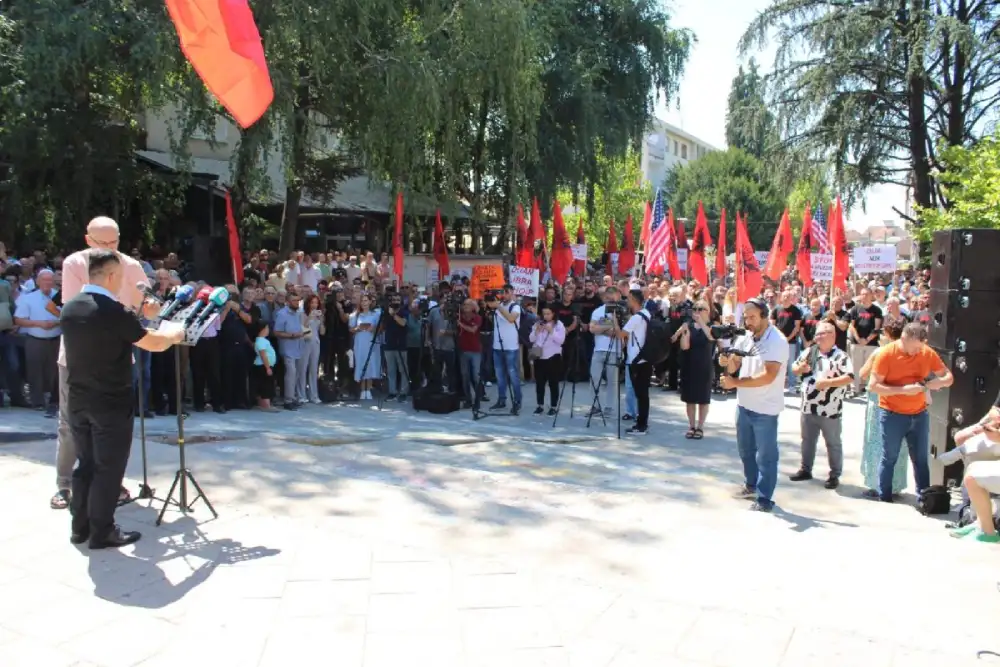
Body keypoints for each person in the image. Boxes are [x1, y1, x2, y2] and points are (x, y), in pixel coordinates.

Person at [60, 250, 184, 548]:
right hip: (110, 401)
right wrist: (174, 334)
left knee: (85, 463)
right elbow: (152, 343)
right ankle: (103, 531)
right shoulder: (112, 310)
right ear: (112, 275)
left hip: (78, 397)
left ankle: (81, 528)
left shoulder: (71, 307)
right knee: (109, 467)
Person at [51, 217, 154, 511]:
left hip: (119, 357)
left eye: (114, 243)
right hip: (76, 357)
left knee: (112, 426)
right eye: (102, 244)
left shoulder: (132, 267)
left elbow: (144, 306)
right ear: (88, 241)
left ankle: (109, 483)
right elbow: (78, 310)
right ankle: (65, 483)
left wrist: (152, 308)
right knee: (71, 423)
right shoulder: (75, 264)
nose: (110, 249)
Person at [868, 322, 953, 503]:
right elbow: (873, 386)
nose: (917, 352)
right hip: (892, 413)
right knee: (889, 456)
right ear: (904, 338)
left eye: (920, 348)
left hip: (919, 414)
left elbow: (948, 377)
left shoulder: (926, 352)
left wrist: (929, 385)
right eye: (914, 348)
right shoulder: (886, 354)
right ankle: (885, 496)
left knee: (921, 459)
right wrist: (903, 390)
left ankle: (924, 499)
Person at [719, 298, 787, 512]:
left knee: (766, 456)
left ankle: (765, 498)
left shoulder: (776, 340)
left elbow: (768, 376)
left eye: (753, 317)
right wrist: (726, 362)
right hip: (744, 404)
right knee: (746, 450)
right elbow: (735, 364)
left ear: (765, 316)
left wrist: (735, 383)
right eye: (746, 317)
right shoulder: (746, 336)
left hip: (765, 408)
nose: (748, 321)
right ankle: (751, 485)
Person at [788, 322, 854, 489]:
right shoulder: (810, 351)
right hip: (808, 406)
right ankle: (805, 469)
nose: (817, 337)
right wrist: (799, 368)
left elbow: (850, 377)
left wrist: (828, 383)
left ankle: (834, 474)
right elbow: (794, 367)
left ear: (832, 335)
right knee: (807, 440)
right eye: (816, 334)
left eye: (821, 334)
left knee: (833, 442)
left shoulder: (841, 356)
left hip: (830, 408)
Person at [859, 318, 908, 496]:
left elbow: (862, 374)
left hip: (880, 403)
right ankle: (895, 484)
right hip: (902, 404)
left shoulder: (880, 352)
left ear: (887, 334)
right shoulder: (910, 353)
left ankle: (877, 484)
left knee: (877, 443)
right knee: (897, 445)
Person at [678, 300, 715, 438]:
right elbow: (684, 347)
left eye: (701, 309)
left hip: (704, 366)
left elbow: (711, 338)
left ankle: (700, 427)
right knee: (690, 399)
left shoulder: (711, 326)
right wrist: (684, 335)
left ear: (708, 312)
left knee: (703, 399)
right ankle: (692, 426)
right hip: (689, 365)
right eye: (695, 309)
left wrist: (702, 324)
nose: (697, 311)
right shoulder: (688, 326)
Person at [616, 289, 651, 435]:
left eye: (629, 298)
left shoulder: (636, 318)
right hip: (645, 357)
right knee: (643, 394)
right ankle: (642, 422)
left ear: (634, 299)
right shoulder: (647, 314)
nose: (627, 301)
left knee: (640, 393)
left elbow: (620, 334)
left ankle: (641, 425)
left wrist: (614, 319)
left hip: (636, 360)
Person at [586, 286, 623, 419]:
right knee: (594, 378)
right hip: (598, 350)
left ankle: (609, 407)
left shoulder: (621, 311)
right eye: (608, 298)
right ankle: (595, 405)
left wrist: (603, 326)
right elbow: (592, 328)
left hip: (614, 350)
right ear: (604, 298)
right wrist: (609, 326)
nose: (610, 301)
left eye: (613, 298)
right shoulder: (598, 311)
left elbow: (619, 332)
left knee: (612, 381)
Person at [487, 285, 522, 415]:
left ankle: (517, 401)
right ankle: (502, 400)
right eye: (503, 292)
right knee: (499, 376)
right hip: (497, 346)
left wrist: (498, 307)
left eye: (507, 292)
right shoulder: (499, 305)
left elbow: (511, 319)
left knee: (513, 376)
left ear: (512, 293)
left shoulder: (515, 306)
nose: (504, 294)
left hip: (510, 347)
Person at [529, 304, 566, 415]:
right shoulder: (537, 324)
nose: (546, 316)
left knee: (553, 383)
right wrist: (536, 332)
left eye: (548, 314)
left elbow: (561, 341)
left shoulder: (558, 325)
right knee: (539, 383)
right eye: (544, 314)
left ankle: (553, 406)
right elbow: (531, 339)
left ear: (553, 314)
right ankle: (540, 405)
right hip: (539, 357)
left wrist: (551, 331)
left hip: (553, 357)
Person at [349, 293, 381, 400]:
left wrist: (374, 328)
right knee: (361, 362)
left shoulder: (375, 314)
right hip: (360, 341)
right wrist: (357, 328)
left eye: (366, 300)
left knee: (370, 363)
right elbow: (351, 329)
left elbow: (380, 328)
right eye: (362, 301)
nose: (364, 303)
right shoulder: (356, 315)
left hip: (371, 340)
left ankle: (369, 389)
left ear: (370, 302)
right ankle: (363, 389)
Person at [250, 321, 278, 411]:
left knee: (265, 383)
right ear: (262, 330)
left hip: (264, 365)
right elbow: (263, 355)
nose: (268, 330)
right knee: (266, 384)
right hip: (263, 366)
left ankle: (263, 403)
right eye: (267, 328)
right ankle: (266, 405)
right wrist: (267, 367)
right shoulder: (261, 341)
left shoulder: (262, 340)